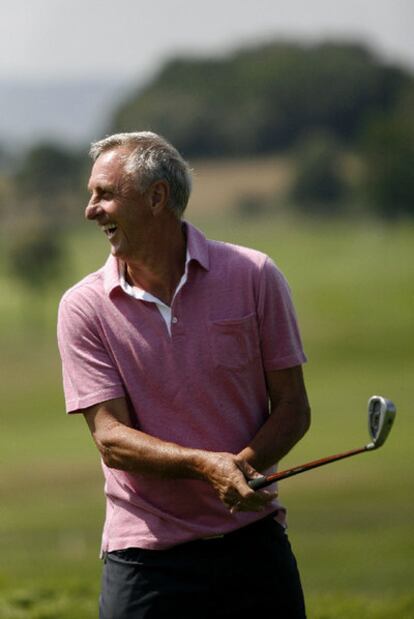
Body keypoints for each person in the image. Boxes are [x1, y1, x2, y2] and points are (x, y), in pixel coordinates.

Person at [57, 131, 311, 618]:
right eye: (92, 195)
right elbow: (111, 438)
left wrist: (242, 469)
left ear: (157, 197)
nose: (91, 210)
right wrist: (207, 467)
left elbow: (294, 407)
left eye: (105, 194)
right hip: (146, 556)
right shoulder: (83, 307)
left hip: (251, 543)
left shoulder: (255, 276)